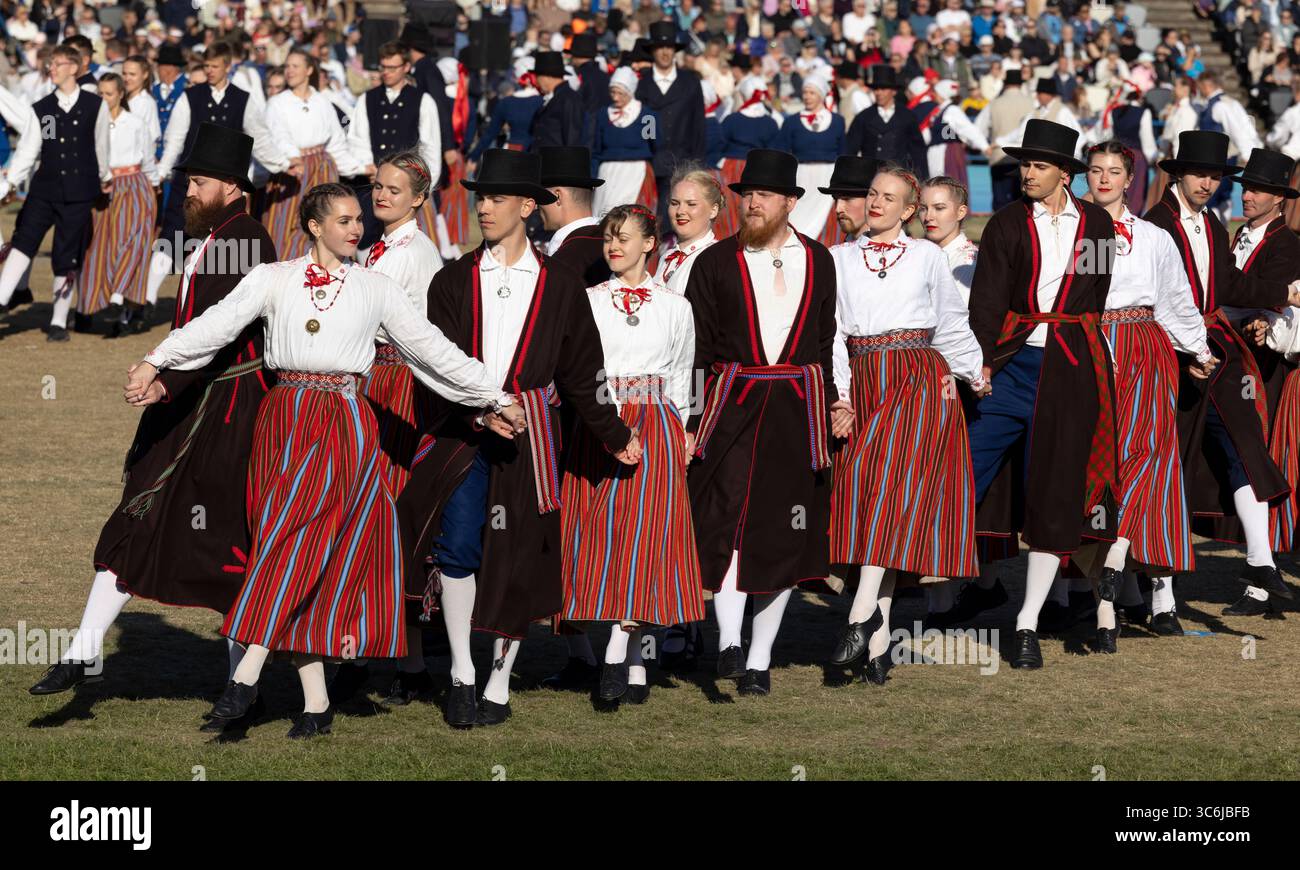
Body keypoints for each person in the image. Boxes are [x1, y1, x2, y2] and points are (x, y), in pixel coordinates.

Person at [125, 181, 522, 738]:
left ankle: (245, 676)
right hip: (281, 419)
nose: (356, 228)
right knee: (287, 546)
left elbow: (433, 351)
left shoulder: (376, 288)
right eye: (343, 219)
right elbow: (214, 326)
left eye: (358, 218)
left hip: (343, 421)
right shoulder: (273, 278)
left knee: (297, 537)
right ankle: (316, 704)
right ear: (314, 226)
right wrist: (155, 361)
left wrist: (493, 396)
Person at [28, 125, 276, 699]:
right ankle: (82, 653)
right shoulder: (210, 236)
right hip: (187, 401)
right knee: (135, 516)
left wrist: (167, 383)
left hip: (228, 409)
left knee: (226, 540)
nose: (190, 189)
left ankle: (242, 684)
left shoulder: (250, 240)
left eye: (203, 181)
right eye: (190, 178)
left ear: (234, 188)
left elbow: (222, 332)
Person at [395, 149, 640, 729]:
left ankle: (499, 684)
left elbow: (585, 372)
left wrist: (615, 433)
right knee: (457, 548)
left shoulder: (560, 284)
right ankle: (460, 674)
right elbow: (434, 364)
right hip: (464, 432)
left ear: (529, 207)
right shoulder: (452, 278)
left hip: (533, 437)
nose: (485, 208)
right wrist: (482, 412)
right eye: (481, 197)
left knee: (519, 556)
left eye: (498, 198)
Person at [965, 120, 1119, 670]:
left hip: (1071, 366)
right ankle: (926, 593)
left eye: (1038, 165)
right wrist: (981, 361)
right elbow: (985, 300)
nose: (1026, 173)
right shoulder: (1006, 223)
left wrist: (1084, 350)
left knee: (1057, 493)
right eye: (1024, 164)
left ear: (1063, 174)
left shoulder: (1097, 224)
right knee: (964, 472)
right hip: (1011, 365)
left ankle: (1027, 623)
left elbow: (1092, 294)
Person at [685, 149, 837, 696]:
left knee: (780, 535)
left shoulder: (820, 260)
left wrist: (836, 402)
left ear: (790, 202)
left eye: (764, 195)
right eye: (746, 194)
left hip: (797, 414)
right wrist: (691, 418)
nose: (751, 202)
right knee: (726, 523)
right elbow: (696, 351)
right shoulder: (714, 263)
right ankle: (728, 640)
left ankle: (759, 659)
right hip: (730, 407)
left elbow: (825, 339)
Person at [826, 165, 986, 684]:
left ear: (909, 209)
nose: (876, 202)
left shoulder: (926, 256)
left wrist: (972, 372)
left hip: (918, 378)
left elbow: (949, 321)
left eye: (889, 197)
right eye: (871, 193)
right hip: (864, 377)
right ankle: (877, 640)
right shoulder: (837, 259)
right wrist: (842, 396)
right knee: (872, 497)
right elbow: (831, 337)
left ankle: (857, 616)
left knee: (892, 496)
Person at [1145, 132, 1300, 622]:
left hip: (1221, 354)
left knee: (1245, 446)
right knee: (1167, 466)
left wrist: (1283, 297)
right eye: (1200, 174)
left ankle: (1261, 563)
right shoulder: (1156, 225)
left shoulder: (1212, 225)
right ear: (1178, 175)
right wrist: (1190, 347)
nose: (1210, 183)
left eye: (1217, 176)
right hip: (1170, 354)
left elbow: (1228, 283)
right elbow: (1157, 298)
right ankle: (1159, 600)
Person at [561, 204, 703, 706]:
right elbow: (576, 369)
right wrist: (607, 425)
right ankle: (637, 666)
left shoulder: (675, 305)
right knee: (607, 535)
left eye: (624, 237)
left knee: (648, 537)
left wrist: (688, 428)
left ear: (650, 243)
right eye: (607, 239)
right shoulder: (589, 301)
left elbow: (688, 372)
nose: (613, 246)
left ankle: (621, 650)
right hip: (603, 423)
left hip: (659, 424)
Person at [1082, 140, 1215, 648]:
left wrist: (1198, 350)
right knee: (1100, 464)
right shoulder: (1082, 232)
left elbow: (1176, 299)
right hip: (1095, 346)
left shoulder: (1153, 237)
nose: (1104, 179)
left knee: (1152, 461)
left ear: (1130, 179)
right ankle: (1099, 597)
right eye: (1095, 170)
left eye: (1114, 171)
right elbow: (1079, 295)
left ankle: (1152, 593)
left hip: (1147, 347)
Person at [328, 150, 447, 706]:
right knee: (366, 513)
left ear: (419, 198)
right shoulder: (382, 246)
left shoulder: (412, 252)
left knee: (388, 515)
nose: (380, 196)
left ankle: (397, 654)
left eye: (394, 190)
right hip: (372, 376)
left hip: (395, 383)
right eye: (378, 186)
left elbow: (370, 317)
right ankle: (371, 648)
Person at [1217, 149, 1300, 613]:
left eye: (1259, 190)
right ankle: (1259, 572)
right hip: (1230, 354)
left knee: (1256, 458)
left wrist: (1260, 317)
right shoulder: (1241, 234)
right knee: (1242, 460)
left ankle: (1260, 585)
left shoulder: (1287, 244)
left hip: (1261, 366)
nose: (1247, 195)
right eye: (1246, 187)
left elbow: (1281, 304)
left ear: (1278, 199)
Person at [148, 41, 285, 321]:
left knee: (222, 240)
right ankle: (145, 302)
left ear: (227, 65)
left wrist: (280, 165)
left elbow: (259, 138)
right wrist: (161, 172)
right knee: (172, 236)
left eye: (214, 66)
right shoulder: (191, 96)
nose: (209, 71)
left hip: (225, 187)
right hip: (191, 180)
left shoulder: (243, 99)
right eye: (206, 66)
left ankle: (217, 297)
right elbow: (174, 139)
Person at [0, 44, 110, 341]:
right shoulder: (44, 109)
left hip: (79, 193)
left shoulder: (94, 105)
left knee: (65, 254)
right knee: (24, 242)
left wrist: (104, 178)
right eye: (50, 64)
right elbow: (31, 150)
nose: (52, 68)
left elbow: (101, 148)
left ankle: (59, 321)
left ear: (74, 68)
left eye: (58, 63)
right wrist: (9, 185)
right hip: (44, 189)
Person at [262, 48, 365, 261]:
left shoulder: (322, 101)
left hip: (322, 169)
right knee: (285, 225)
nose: (289, 71)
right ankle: (283, 273)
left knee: (325, 222)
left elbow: (336, 142)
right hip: (291, 170)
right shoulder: (277, 103)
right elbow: (277, 135)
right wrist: (292, 158)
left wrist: (359, 168)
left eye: (295, 66)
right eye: (287, 66)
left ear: (309, 70)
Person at [77, 73, 160, 336]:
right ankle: (93, 306)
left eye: (109, 94)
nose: (104, 99)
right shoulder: (92, 123)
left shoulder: (135, 123)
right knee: (100, 247)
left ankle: (119, 297)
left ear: (121, 94)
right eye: (100, 93)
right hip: (102, 188)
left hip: (133, 184)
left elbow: (147, 159)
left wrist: (155, 186)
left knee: (132, 242)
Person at [346, 41, 443, 250]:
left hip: (407, 189)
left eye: (392, 68)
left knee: (409, 248)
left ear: (406, 67)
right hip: (373, 186)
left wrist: (426, 188)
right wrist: (369, 167)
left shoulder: (423, 100)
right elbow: (357, 138)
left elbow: (431, 148)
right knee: (366, 246)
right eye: (383, 67)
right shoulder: (367, 98)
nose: (386, 73)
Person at [636, 21, 707, 230]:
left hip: (683, 161)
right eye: (660, 47)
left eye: (669, 47)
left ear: (675, 50)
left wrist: (698, 164)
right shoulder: (642, 83)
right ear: (653, 51)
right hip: (651, 162)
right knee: (646, 221)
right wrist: (646, 153)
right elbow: (642, 123)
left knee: (679, 221)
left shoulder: (690, 82)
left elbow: (698, 125)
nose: (665, 52)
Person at [776, 74, 846, 247]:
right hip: (802, 175)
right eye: (805, 92)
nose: (807, 96)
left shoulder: (837, 121)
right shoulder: (791, 122)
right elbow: (782, 152)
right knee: (798, 215)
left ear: (821, 95)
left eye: (812, 93)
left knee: (826, 217)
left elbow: (843, 152)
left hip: (828, 176)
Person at [716, 74, 781, 239]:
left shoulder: (732, 120)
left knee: (729, 211)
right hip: (759, 170)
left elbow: (719, 145)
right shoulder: (770, 122)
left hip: (731, 169)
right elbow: (774, 151)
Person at [592, 67, 659, 219]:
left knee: (630, 214)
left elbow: (655, 143)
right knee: (605, 214)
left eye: (620, 93)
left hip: (635, 171)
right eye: (612, 92)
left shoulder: (647, 116)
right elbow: (597, 146)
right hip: (609, 172)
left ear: (630, 92)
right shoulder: (603, 114)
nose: (615, 98)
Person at [540, 145, 607, 288]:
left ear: (557, 196)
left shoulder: (567, 258)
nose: (536, 206)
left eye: (540, 196)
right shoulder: (610, 241)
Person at [844, 65, 927, 175]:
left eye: (883, 89)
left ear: (894, 91)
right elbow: (850, 151)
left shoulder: (907, 116)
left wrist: (921, 180)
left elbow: (918, 153)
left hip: (899, 177)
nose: (878, 93)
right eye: (876, 89)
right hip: (871, 176)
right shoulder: (863, 117)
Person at [977, 67, 1034, 211]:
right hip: (1024, 157)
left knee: (1000, 201)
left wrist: (986, 146)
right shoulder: (1032, 103)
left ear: (1005, 84)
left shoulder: (994, 103)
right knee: (1023, 201)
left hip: (999, 156)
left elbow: (978, 127)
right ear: (1020, 84)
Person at [530, 50, 587, 149]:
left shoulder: (569, 99)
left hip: (557, 162)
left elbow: (572, 140)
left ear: (546, 77)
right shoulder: (554, 98)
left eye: (537, 77)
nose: (537, 82)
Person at [819, 155, 877, 244]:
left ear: (872, 200)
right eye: (836, 199)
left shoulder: (899, 255)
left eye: (847, 199)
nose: (838, 209)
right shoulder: (838, 252)